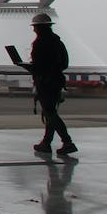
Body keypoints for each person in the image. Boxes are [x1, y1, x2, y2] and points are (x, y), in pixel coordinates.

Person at [25, 10, 76, 156]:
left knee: (50, 113)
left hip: (45, 82)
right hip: (56, 82)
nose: (33, 29)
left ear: (40, 28)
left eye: (35, 27)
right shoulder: (58, 42)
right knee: (50, 113)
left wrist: (31, 67)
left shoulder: (40, 43)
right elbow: (64, 63)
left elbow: (40, 65)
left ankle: (67, 142)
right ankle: (46, 143)